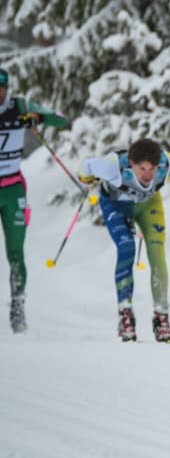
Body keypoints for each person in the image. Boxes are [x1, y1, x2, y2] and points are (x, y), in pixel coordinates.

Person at [78, 138, 170, 343]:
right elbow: (83, 167)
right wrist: (86, 177)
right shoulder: (112, 166)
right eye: (142, 169)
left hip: (148, 205)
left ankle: (161, 317)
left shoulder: (167, 163)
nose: (148, 175)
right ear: (131, 163)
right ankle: (126, 314)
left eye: (152, 169)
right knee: (126, 247)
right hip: (116, 205)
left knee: (157, 252)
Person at [0, 67, 73, 333]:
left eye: (1, 89)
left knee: (16, 252)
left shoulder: (19, 105)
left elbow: (61, 120)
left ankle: (18, 307)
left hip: (12, 189)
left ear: (7, 89)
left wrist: (36, 117)